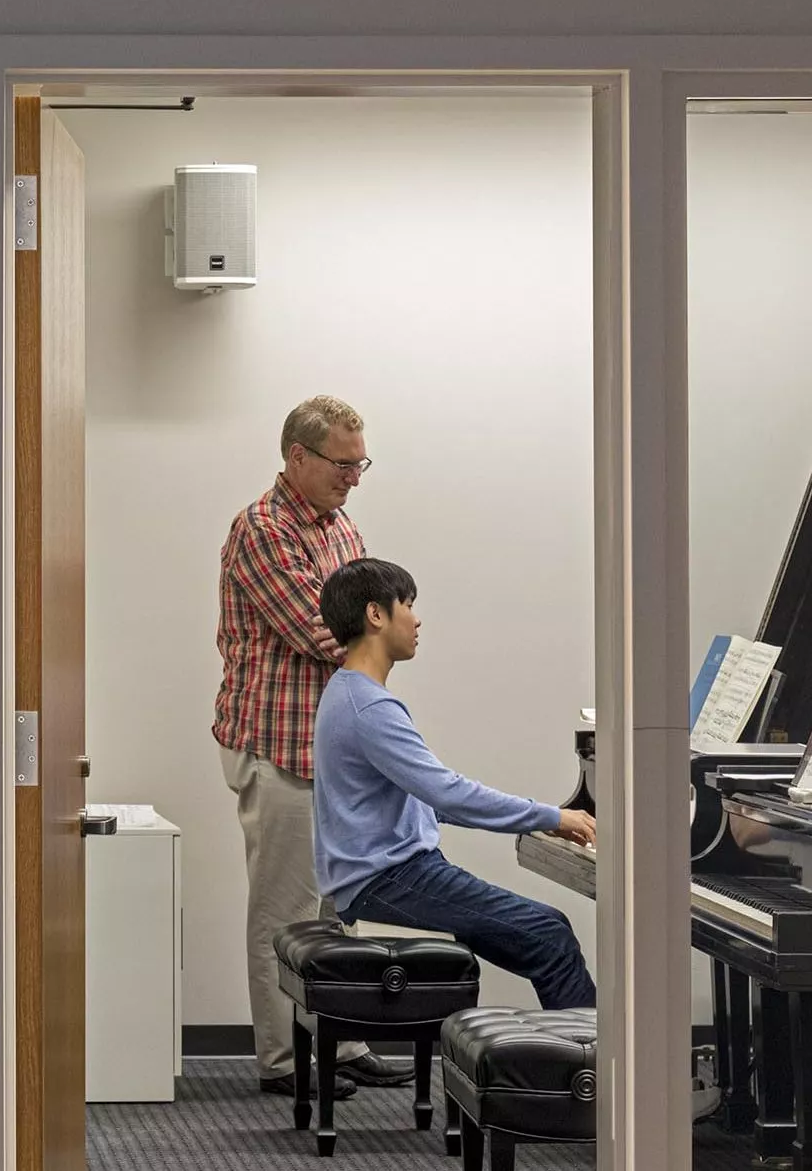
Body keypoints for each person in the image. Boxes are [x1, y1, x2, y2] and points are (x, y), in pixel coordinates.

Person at [214, 395, 404, 1097]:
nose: (354, 476)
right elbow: (325, 634)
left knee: (337, 909)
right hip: (278, 748)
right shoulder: (263, 529)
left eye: (362, 464)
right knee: (283, 912)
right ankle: (285, 1061)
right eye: (343, 463)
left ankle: (341, 1040)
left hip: (330, 756)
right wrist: (379, 634)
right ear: (298, 456)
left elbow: (365, 626)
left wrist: (373, 634)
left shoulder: (339, 527)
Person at [310, 557, 597, 1009]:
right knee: (550, 935)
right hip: (389, 881)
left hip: (386, 877)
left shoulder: (345, 693)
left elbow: (427, 800)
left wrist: (539, 818)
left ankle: (584, 1067)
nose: (417, 618)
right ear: (376, 614)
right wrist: (549, 816)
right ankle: (597, 1074)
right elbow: (449, 793)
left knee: (548, 931)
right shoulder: (369, 708)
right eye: (408, 604)